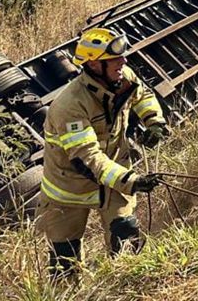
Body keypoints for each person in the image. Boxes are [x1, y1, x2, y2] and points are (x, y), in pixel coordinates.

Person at [38, 28, 166, 279]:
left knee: (126, 236)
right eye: (115, 58)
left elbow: (143, 96)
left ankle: (126, 286)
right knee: (65, 263)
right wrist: (131, 180)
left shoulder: (123, 78)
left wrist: (154, 122)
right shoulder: (69, 106)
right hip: (69, 190)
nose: (124, 61)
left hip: (113, 180)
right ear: (95, 64)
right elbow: (88, 158)